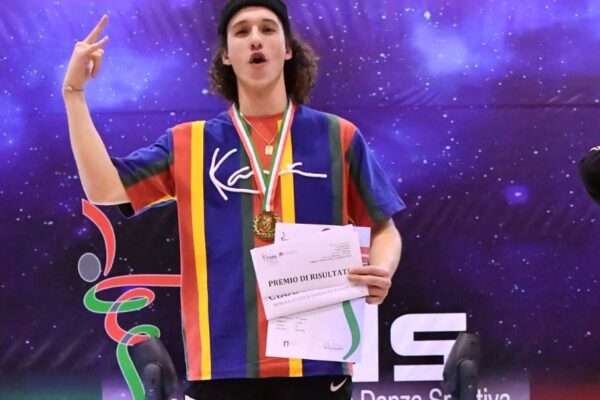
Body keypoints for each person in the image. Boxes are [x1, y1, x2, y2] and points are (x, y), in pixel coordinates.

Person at [62, 1, 405, 399]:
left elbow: (384, 229)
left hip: (317, 363)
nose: (255, 39)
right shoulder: (188, 143)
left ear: (287, 49)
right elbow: (104, 189)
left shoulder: (338, 136)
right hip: (220, 368)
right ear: (226, 55)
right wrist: (74, 94)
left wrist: (381, 271)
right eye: (241, 32)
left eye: (268, 29)